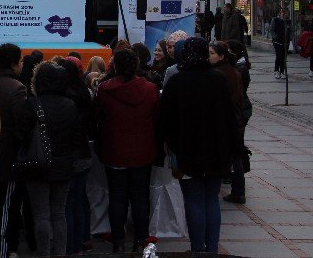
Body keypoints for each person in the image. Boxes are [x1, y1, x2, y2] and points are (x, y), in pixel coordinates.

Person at [160, 37, 240, 254]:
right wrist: (234, 151)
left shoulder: (178, 81)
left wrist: (170, 144)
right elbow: (230, 117)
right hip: (217, 150)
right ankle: (212, 248)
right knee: (212, 199)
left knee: (193, 199)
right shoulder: (218, 79)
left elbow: (165, 118)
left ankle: (197, 248)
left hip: (188, 150)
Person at [95, 49, 159, 253]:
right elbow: (156, 119)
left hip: (115, 150)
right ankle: (141, 237)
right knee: (140, 197)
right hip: (143, 150)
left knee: (117, 197)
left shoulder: (105, 89)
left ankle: (118, 239)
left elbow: (98, 117)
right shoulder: (149, 89)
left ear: (115, 65)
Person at [16, 62, 78, 257]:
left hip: (38, 165)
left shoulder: (33, 104)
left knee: (40, 215)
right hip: (64, 165)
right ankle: (60, 252)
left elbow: (22, 134)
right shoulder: (70, 105)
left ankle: (44, 252)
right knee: (59, 213)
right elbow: (76, 136)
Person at [0, 43, 26, 258]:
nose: (22, 64)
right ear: (12, 63)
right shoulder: (16, 89)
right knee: (3, 209)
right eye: (20, 61)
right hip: (6, 159)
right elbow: (23, 124)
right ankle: (0, 252)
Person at [60, 57, 94, 255]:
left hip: (67, 153)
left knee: (67, 202)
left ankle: (70, 244)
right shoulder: (85, 93)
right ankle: (84, 239)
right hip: (82, 151)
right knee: (80, 199)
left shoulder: (63, 96)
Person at [209, 41, 245, 204]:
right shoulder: (231, 70)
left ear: (221, 56)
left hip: (227, 119)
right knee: (235, 155)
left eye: (211, 53)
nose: (209, 57)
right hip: (235, 118)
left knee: (232, 155)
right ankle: (238, 190)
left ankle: (237, 191)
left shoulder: (220, 73)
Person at [226, 40, 252, 204]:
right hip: (241, 110)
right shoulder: (238, 68)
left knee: (235, 149)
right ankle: (236, 183)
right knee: (237, 147)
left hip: (238, 112)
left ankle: (237, 187)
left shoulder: (237, 70)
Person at [270, 7, 292, 79]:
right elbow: (271, 30)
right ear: (280, 13)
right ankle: (276, 71)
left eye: (287, 13)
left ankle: (282, 72)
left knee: (284, 57)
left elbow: (291, 30)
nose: (285, 15)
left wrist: (290, 38)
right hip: (277, 42)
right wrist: (275, 37)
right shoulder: (275, 20)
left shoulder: (288, 21)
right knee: (279, 56)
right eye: (284, 13)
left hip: (286, 42)